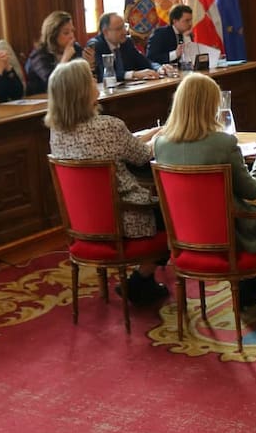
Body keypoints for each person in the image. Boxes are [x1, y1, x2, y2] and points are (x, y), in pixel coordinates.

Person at [153, 72, 256, 317]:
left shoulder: (161, 143)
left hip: (186, 235)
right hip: (227, 234)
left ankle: (249, 296)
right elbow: (251, 190)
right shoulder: (223, 143)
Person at [46, 59, 167, 304]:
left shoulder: (57, 132)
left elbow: (124, 145)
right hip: (125, 219)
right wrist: (165, 133)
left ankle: (142, 281)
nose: (95, 80)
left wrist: (152, 133)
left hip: (85, 221)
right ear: (81, 90)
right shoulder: (110, 126)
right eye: (90, 78)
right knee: (172, 212)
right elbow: (143, 155)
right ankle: (142, 277)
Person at [24, 11, 96, 95]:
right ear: (53, 35)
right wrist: (65, 58)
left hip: (70, 96)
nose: (71, 36)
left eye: (72, 31)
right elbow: (52, 83)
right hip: (43, 100)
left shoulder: (75, 48)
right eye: (66, 33)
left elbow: (82, 80)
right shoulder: (39, 55)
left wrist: (89, 65)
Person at [86, 12, 160, 83]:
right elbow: (105, 74)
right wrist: (133, 74)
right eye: (119, 29)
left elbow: (144, 62)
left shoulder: (127, 42)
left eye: (124, 27)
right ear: (106, 32)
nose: (125, 32)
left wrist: (159, 68)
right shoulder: (96, 45)